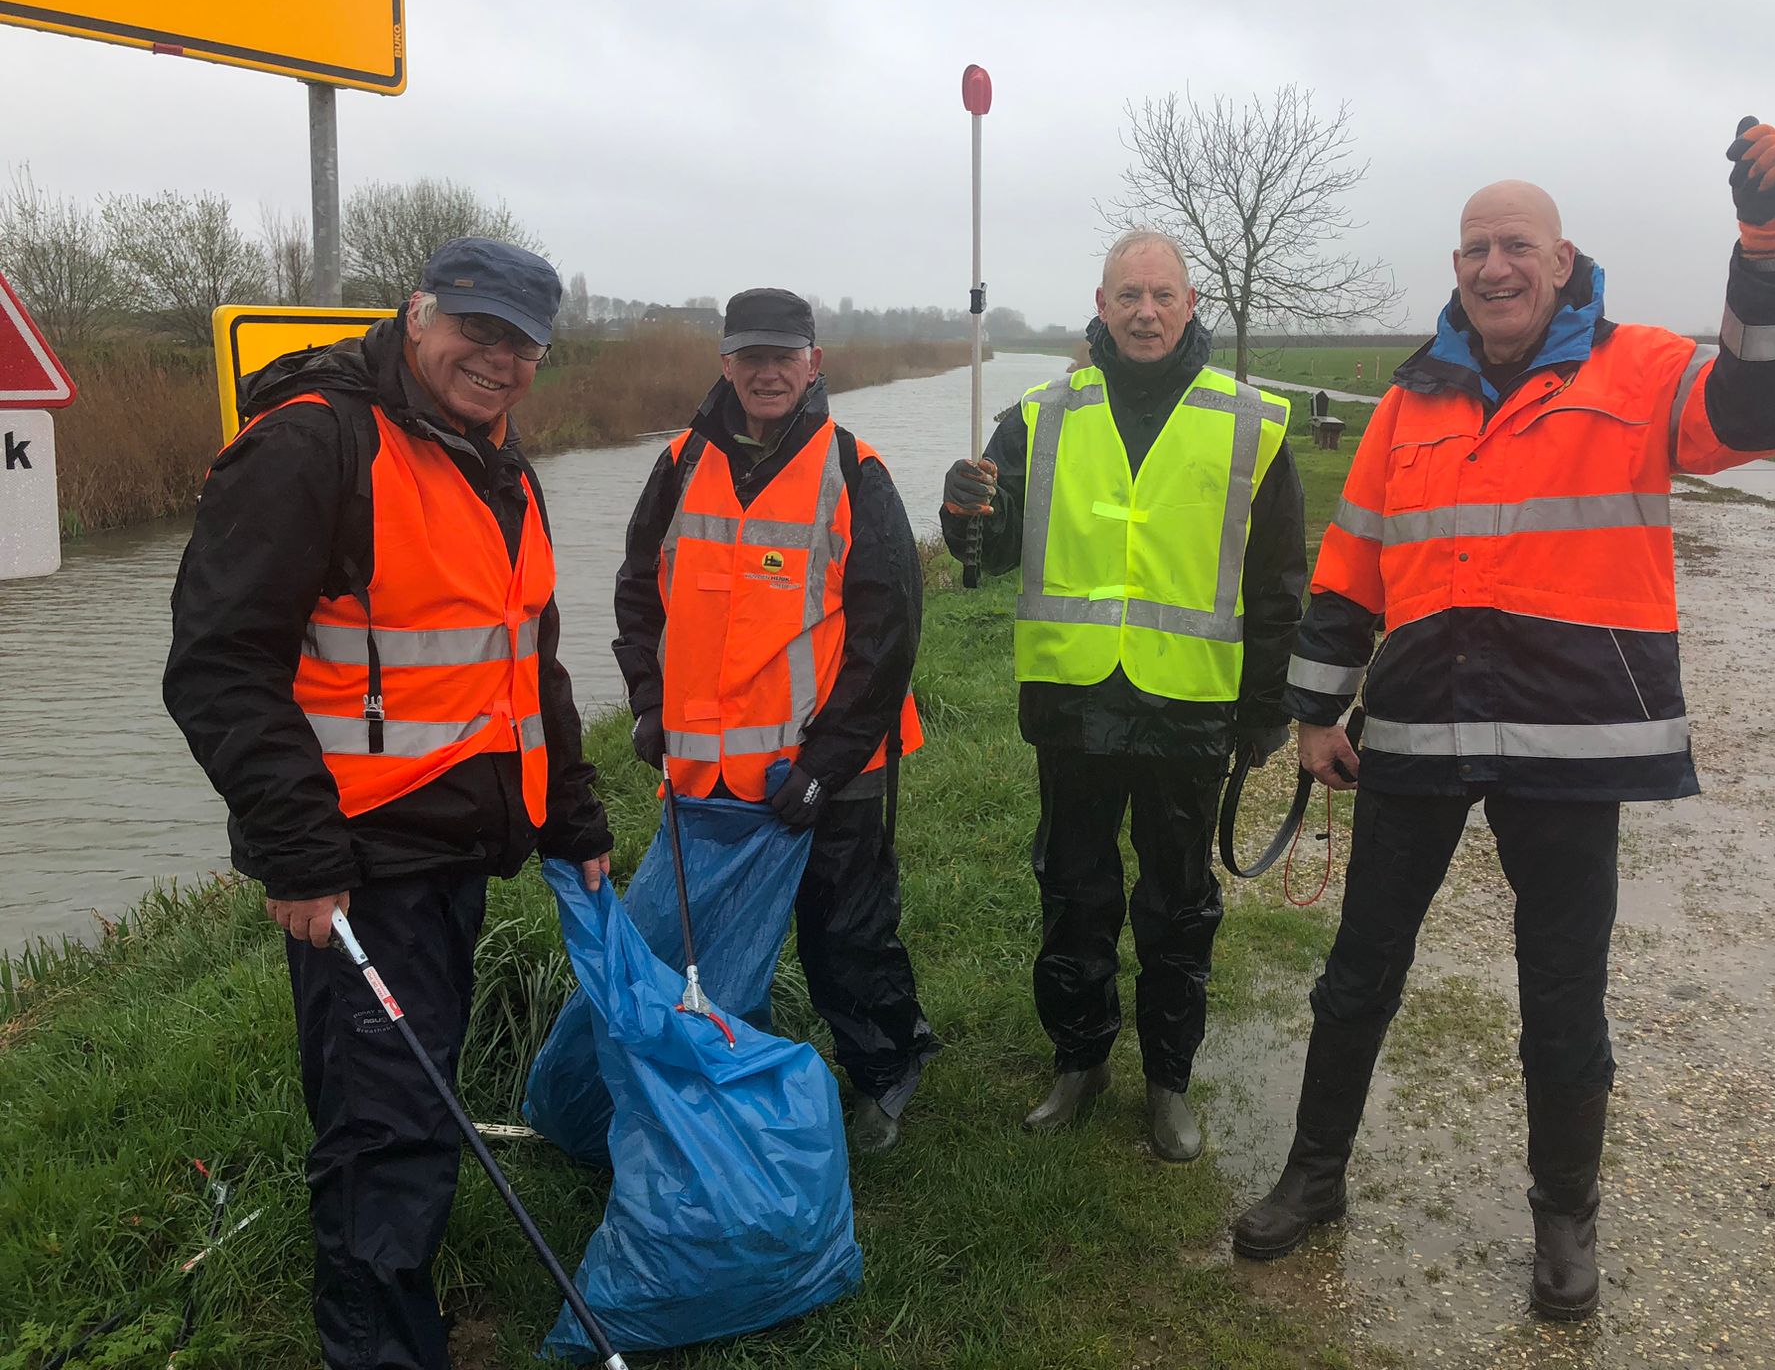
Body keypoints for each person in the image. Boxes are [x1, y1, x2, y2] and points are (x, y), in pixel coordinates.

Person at [1230, 120, 1775, 1320]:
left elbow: (1760, 411)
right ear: (1453, 270)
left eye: (1514, 246)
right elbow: (1349, 564)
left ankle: (1564, 1226)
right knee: (1357, 974)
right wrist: (1310, 711)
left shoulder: (1641, 367)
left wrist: (1767, 247)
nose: (1490, 267)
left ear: (1560, 263)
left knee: (1560, 997)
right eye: (1470, 250)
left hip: (1570, 743)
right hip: (1415, 729)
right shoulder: (1409, 401)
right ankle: (1314, 1174)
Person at [163, 237, 614, 1370]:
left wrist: (572, 816)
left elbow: (527, 666)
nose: (497, 358)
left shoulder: (493, 459)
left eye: (521, 343)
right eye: (476, 329)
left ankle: (403, 1319)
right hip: (361, 865)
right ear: (417, 315)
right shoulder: (313, 444)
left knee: (416, 1108)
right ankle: (381, 1350)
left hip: (453, 851)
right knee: (385, 1134)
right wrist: (300, 856)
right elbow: (218, 666)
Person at [941, 230, 1306, 1161]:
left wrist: (1266, 707)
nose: (1145, 311)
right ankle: (1079, 1059)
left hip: (1189, 708)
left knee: (1179, 904)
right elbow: (993, 543)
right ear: (1100, 307)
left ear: (1191, 305)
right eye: (1127, 296)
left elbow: (1275, 583)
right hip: (1072, 702)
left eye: (1163, 295)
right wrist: (961, 516)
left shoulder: (1249, 421)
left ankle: (1169, 1083)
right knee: (1074, 891)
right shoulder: (1036, 415)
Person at [613, 287, 937, 1155]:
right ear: (724, 364)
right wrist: (648, 702)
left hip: (831, 773)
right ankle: (718, 1076)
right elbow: (638, 595)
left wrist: (826, 765)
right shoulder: (679, 461)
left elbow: (887, 634)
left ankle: (884, 1073)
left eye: (783, 357)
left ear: (814, 364)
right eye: (749, 356)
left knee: (848, 936)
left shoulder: (854, 469)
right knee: (703, 946)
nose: (766, 372)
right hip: (705, 775)